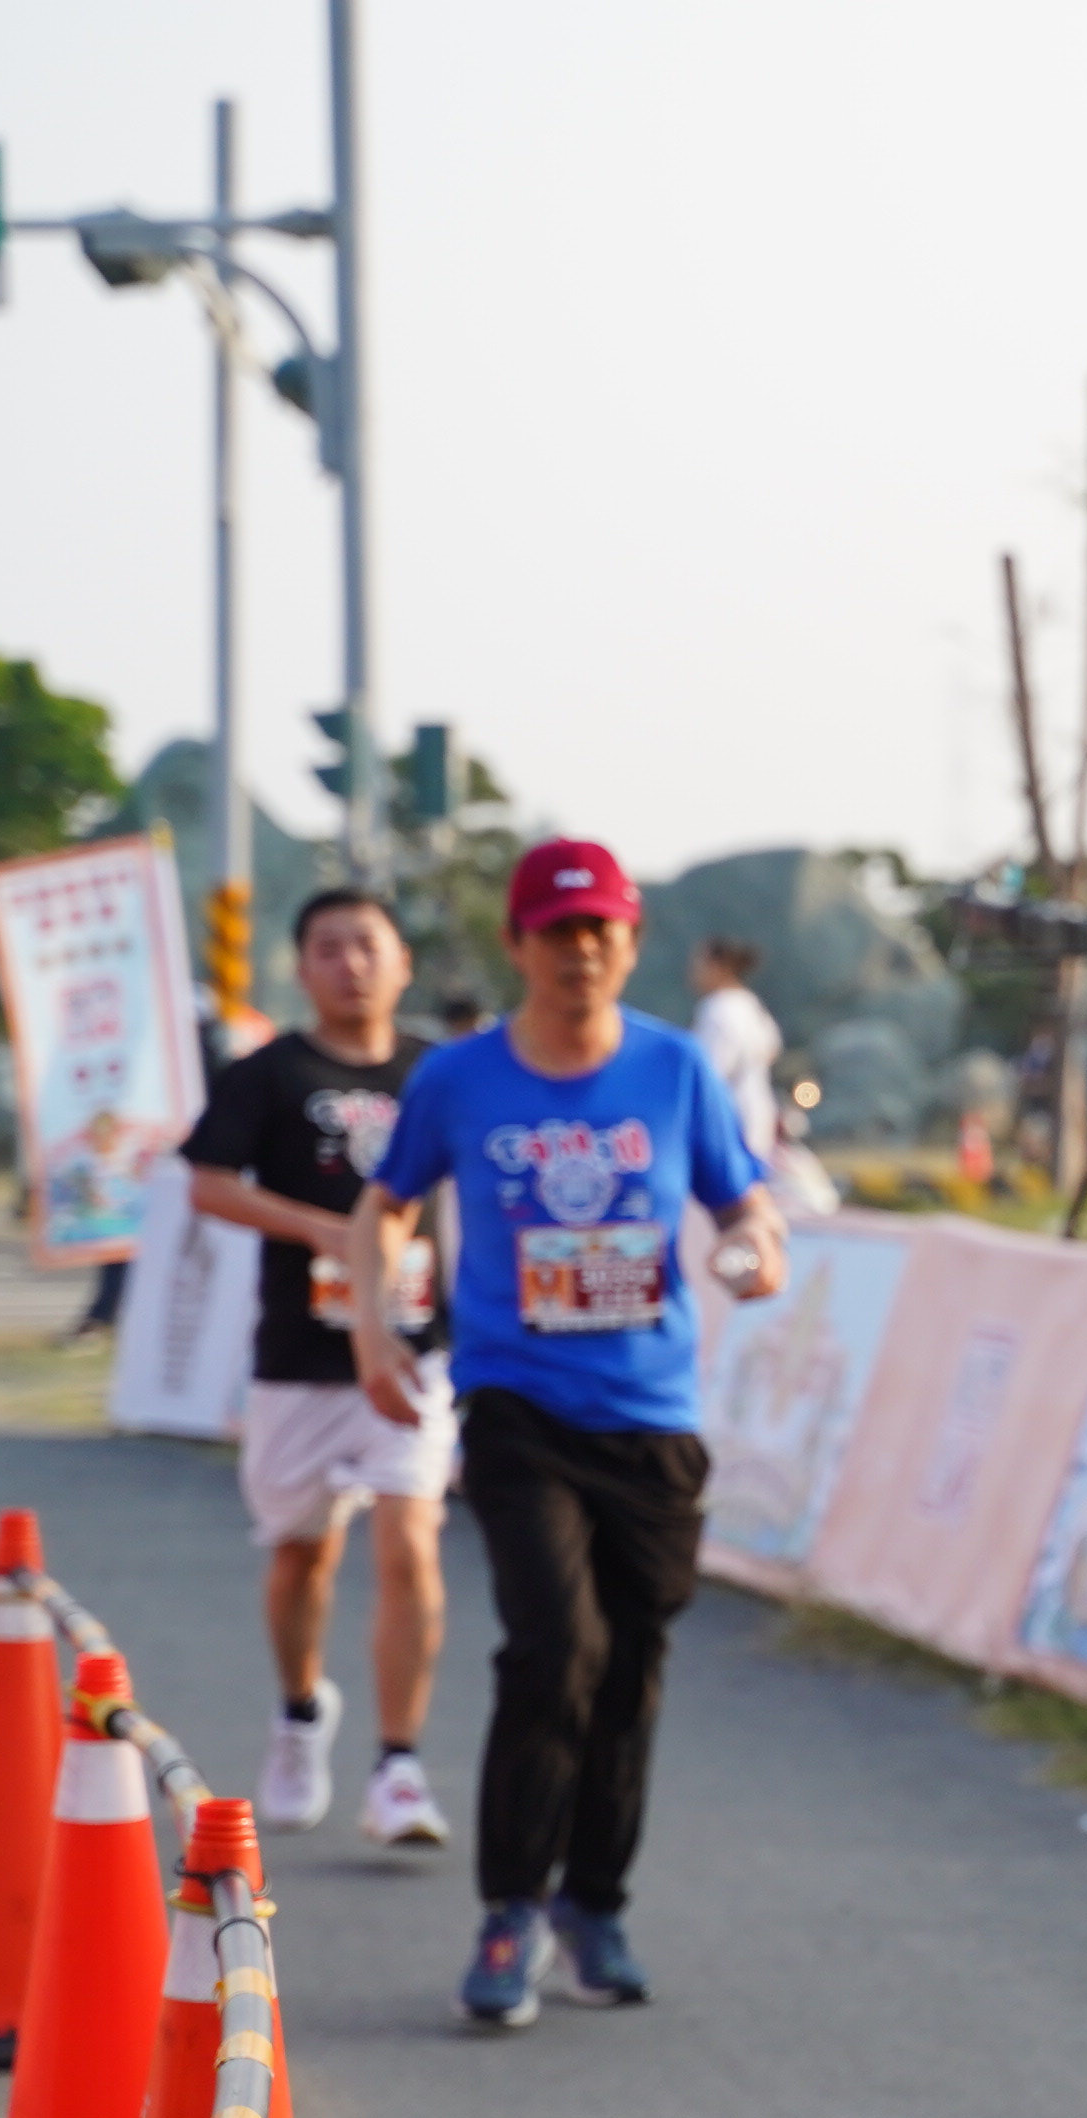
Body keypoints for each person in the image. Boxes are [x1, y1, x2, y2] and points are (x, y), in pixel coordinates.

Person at [341, 838, 785, 2030]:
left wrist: (755, 1253)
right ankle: (510, 1908)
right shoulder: (460, 1079)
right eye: (557, 932)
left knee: (630, 1664)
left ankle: (596, 1902)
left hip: (652, 1417)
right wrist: (376, 1332)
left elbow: (746, 1203)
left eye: (601, 931)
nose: (580, 952)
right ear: (519, 944)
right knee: (553, 1647)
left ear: (631, 944)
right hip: (518, 1405)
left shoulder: (674, 1067)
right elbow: (382, 1207)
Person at [180, 886, 457, 1848]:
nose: (352, 965)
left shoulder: (437, 1073)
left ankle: (400, 1768)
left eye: (369, 945)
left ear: (403, 962)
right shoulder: (268, 1074)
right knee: (304, 1554)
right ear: (301, 969)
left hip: (415, 1349)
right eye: (329, 949)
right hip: (301, 1359)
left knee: (410, 1541)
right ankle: (301, 1714)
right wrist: (322, 1230)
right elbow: (209, 1184)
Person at [690, 935, 837, 1213]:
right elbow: (772, 1047)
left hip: (729, 1114)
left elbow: (710, 1072)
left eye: (699, 963)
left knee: (727, 1200)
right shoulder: (749, 1004)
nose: (694, 972)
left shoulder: (718, 1008)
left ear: (717, 966)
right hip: (759, 1109)